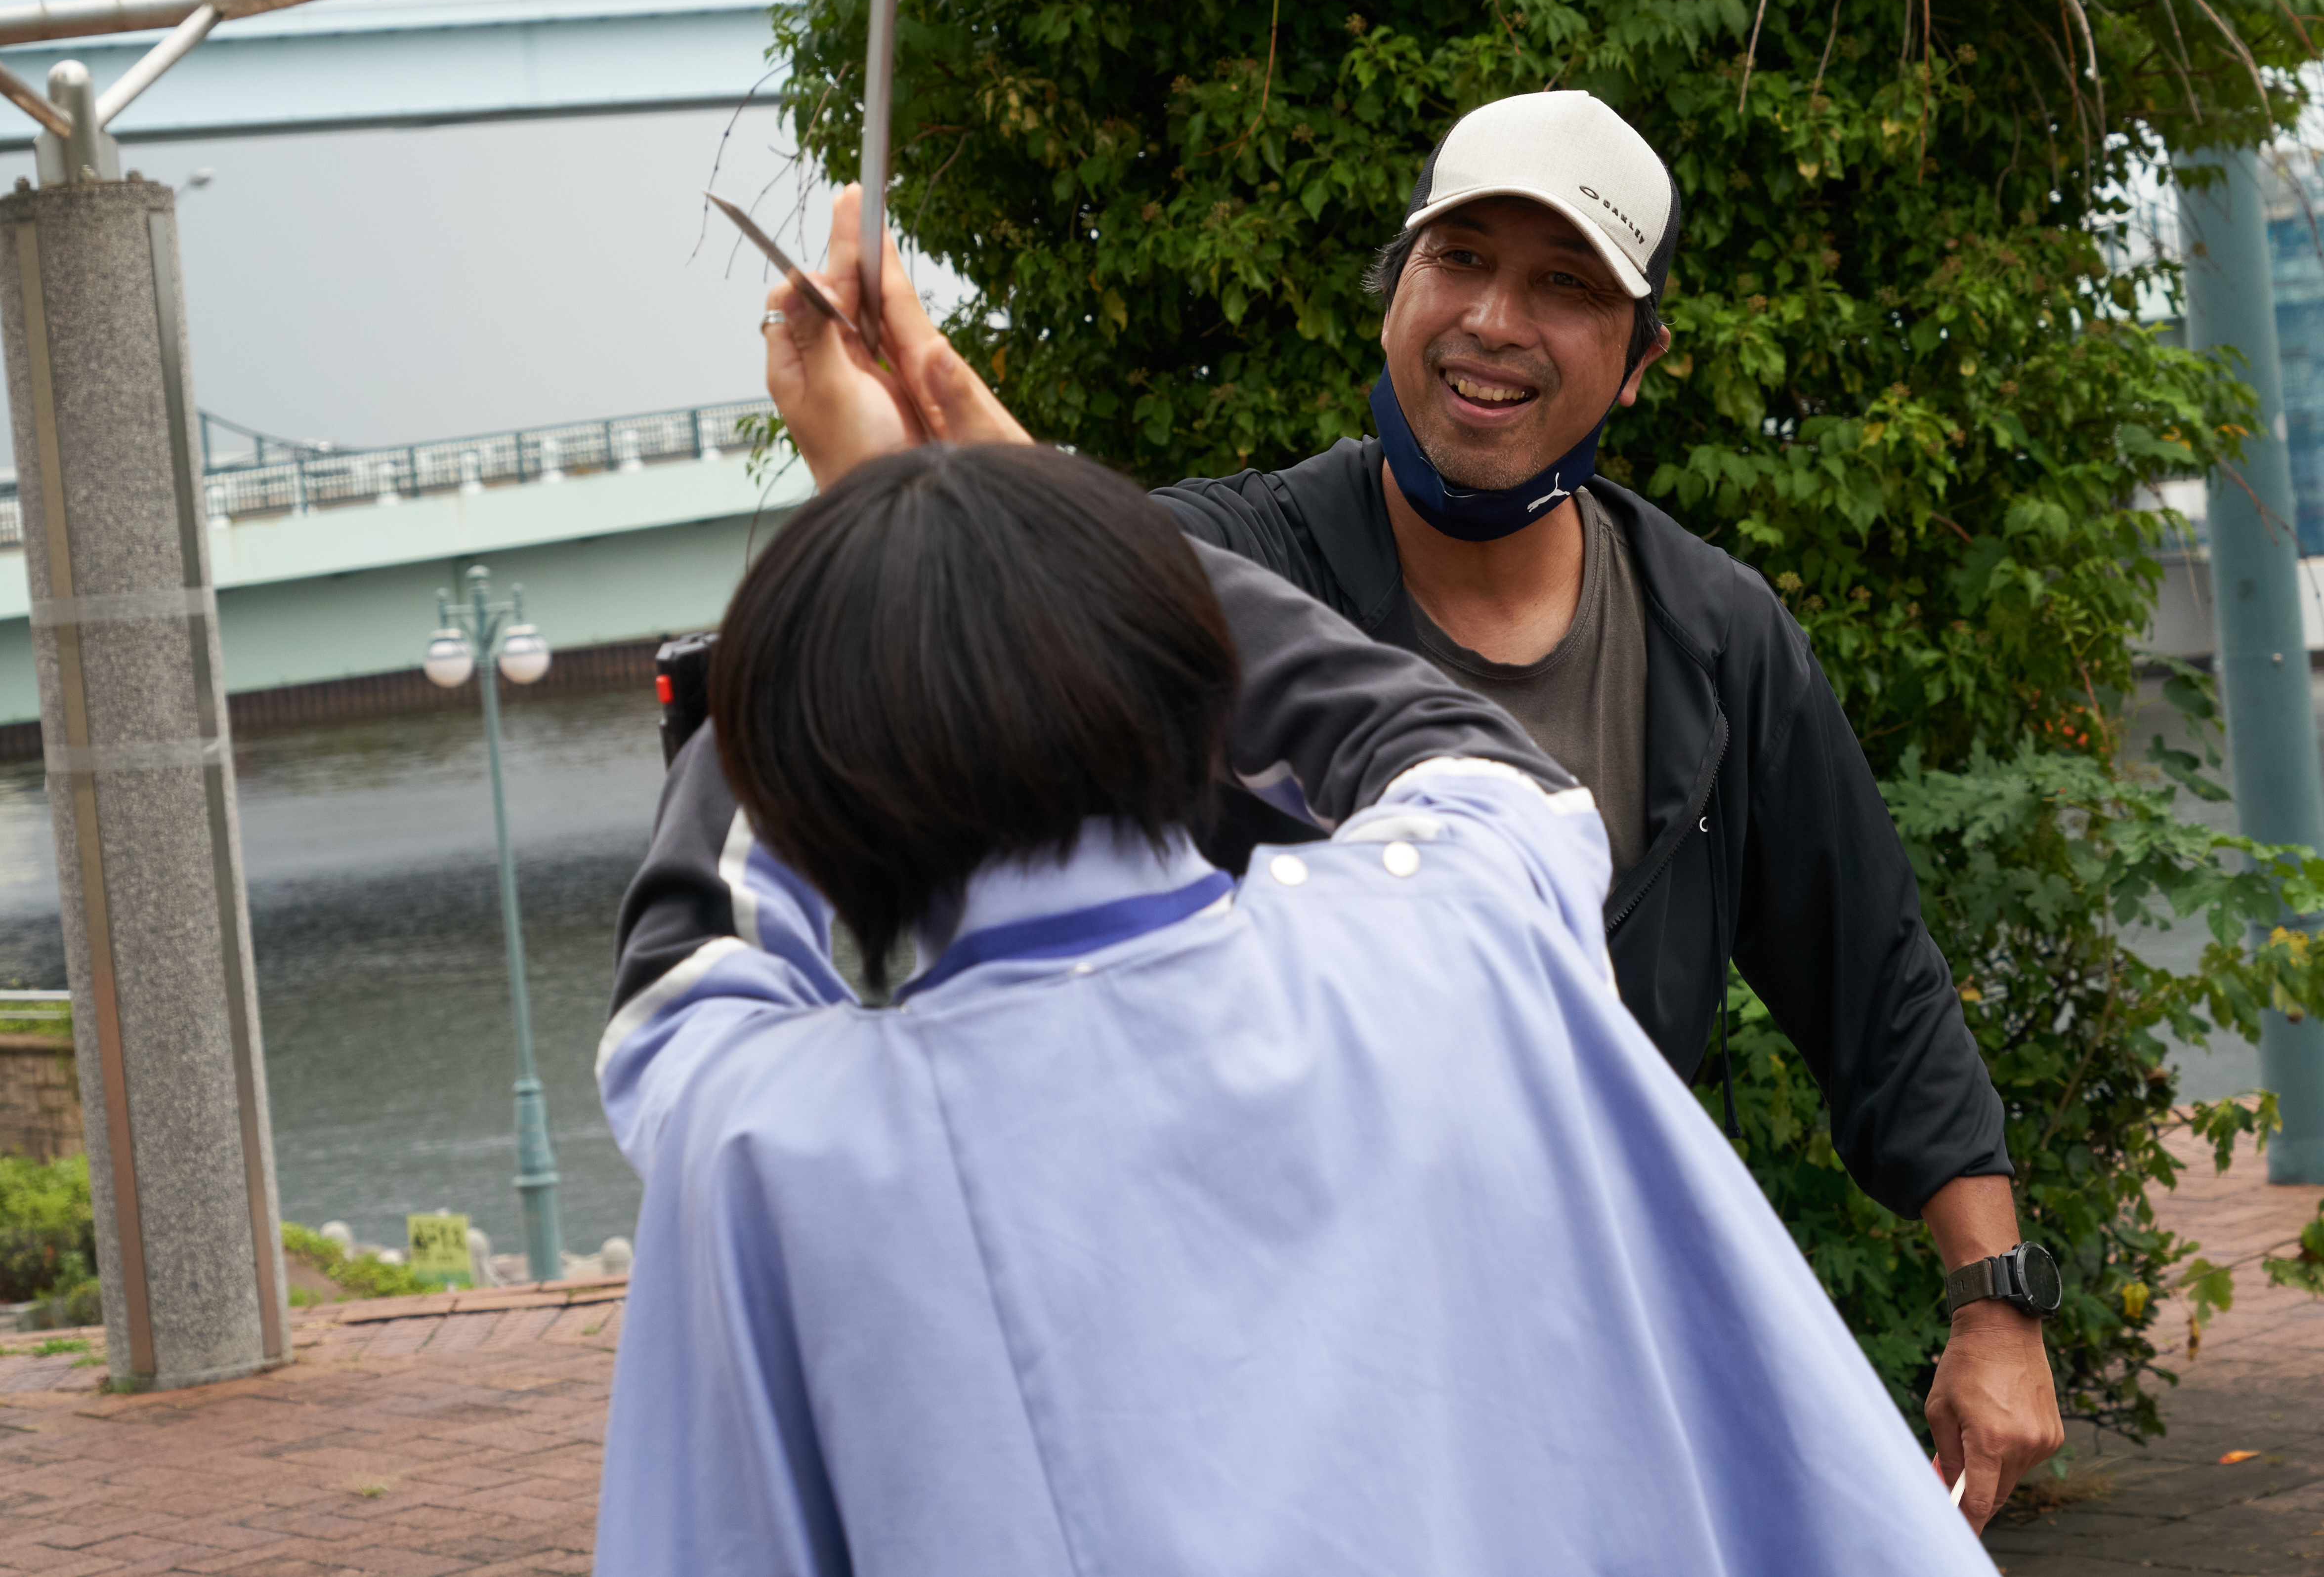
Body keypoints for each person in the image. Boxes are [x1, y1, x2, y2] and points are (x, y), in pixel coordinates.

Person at [759, 89, 2063, 1525]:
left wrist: (1993, 1300)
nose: (1495, 320)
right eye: (1460, 260)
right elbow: (1066, 609)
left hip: (1593, 1356)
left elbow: (1868, 969)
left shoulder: (1711, 637)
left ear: (1639, 362)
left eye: (1566, 285)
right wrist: (905, 441)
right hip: (1286, 1377)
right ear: (1395, 291)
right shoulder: (1247, 559)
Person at [595, 441, 1997, 1577]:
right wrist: (1045, 511)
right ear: (1186, 678)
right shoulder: (1443, 938)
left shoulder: (780, 1140)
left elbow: (679, 984)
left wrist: (763, 684)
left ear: (805, 786)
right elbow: (1447, 749)